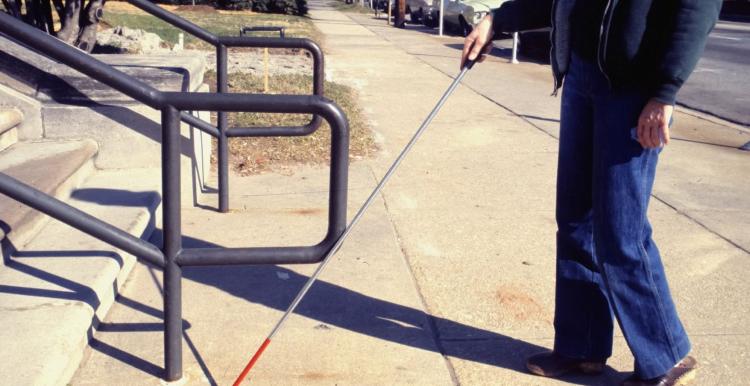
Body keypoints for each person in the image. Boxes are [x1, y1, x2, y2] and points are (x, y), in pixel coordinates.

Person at [460, 0, 721, 385]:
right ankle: (581, 347)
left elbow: (695, 10)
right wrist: (498, 20)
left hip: (634, 89)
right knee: (576, 221)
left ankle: (668, 356)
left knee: (621, 230)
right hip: (581, 75)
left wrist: (664, 92)